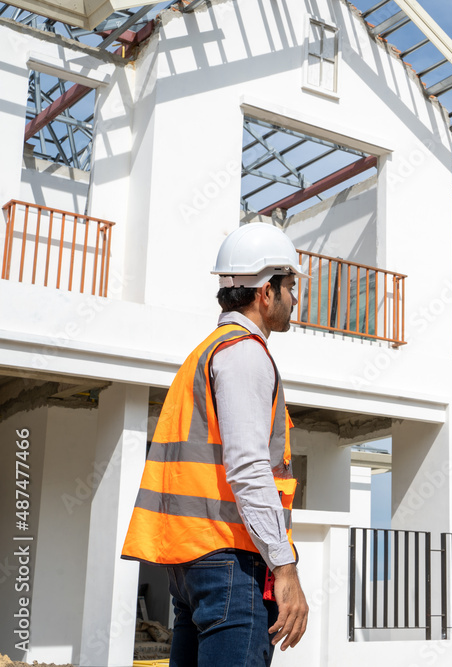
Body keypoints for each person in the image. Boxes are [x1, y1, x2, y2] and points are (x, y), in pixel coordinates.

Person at [122, 223, 310, 666]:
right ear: (266, 292)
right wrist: (284, 566)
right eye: (290, 286)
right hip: (229, 559)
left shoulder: (206, 352)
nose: (295, 299)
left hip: (192, 562)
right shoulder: (244, 354)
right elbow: (248, 469)